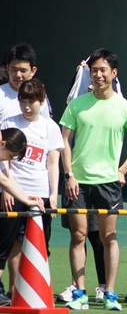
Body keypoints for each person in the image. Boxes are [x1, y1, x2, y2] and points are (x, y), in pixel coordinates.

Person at [60, 49, 127, 311]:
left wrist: (122, 169)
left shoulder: (125, 107)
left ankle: (110, 293)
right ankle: (80, 293)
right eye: (94, 70)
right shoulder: (76, 105)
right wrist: (69, 175)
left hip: (109, 183)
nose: (98, 75)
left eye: (103, 70)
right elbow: (63, 140)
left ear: (113, 73)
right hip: (78, 183)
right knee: (78, 235)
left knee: (109, 236)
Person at [0, 80, 62, 300]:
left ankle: (36, 290)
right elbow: (3, 166)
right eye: (23, 102)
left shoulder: (50, 127)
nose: (27, 107)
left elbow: (53, 163)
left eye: (32, 102)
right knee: (9, 242)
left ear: (42, 102)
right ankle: (14, 290)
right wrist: (7, 191)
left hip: (39, 194)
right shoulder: (8, 122)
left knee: (39, 242)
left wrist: (53, 196)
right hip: (15, 192)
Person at [0, 43, 51, 121]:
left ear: (33, 71)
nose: (18, 75)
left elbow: (46, 125)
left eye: (23, 70)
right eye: (14, 69)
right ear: (7, 68)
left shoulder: (38, 95)